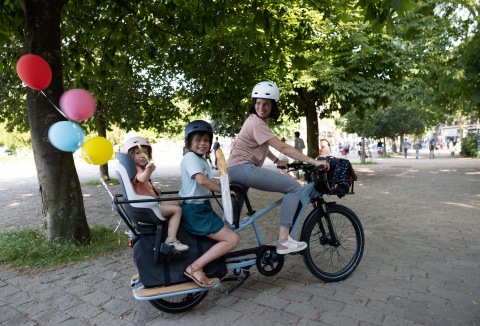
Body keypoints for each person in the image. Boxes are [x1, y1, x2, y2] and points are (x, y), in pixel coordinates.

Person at [227, 81, 327, 255]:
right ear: (254, 104)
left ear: (273, 105)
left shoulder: (257, 122)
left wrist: (276, 161)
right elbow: (283, 147)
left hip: (237, 169)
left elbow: (262, 147)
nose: (261, 107)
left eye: (266, 104)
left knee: (232, 221)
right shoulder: (257, 123)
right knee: (294, 187)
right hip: (243, 169)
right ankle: (283, 242)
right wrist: (313, 161)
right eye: (258, 103)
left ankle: (222, 250)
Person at [179, 120, 239, 287]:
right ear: (189, 142)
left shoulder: (202, 160)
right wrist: (224, 191)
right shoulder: (190, 157)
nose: (202, 143)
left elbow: (212, 180)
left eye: (206, 140)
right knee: (232, 240)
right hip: (195, 210)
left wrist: (225, 184)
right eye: (198, 139)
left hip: (202, 207)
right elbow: (202, 181)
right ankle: (195, 267)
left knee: (228, 229)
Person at [122, 137, 189, 252]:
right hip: (147, 208)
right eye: (138, 153)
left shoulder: (139, 168)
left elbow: (143, 185)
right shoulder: (136, 170)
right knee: (177, 210)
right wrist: (148, 171)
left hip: (148, 203)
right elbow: (142, 178)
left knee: (177, 202)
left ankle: (168, 227)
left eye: (145, 152)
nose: (143, 155)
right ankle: (171, 240)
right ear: (130, 155)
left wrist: (153, 189)